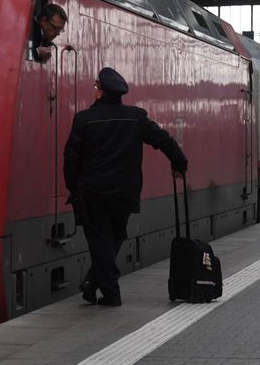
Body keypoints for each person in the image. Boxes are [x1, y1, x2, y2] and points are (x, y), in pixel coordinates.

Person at [63, 67, 188, 307]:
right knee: (115, 236)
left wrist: (74, 188)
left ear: (100, 92)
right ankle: (92, 283)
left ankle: (111, 293)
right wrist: (179, 163)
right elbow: (163, 139)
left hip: (93, 193)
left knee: (100, 241)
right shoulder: (135, 117)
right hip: (125, 192)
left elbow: (71, 158)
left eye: (96, 87)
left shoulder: (84, 120)